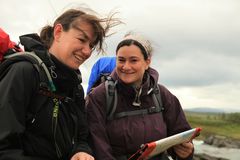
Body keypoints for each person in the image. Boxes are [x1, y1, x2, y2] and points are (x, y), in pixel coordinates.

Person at [0, 8, 120, 160]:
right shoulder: (24, 71)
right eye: (82, 40)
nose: (87, 51)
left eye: (91, 45)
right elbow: (4, 149)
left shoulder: (75, 86)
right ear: (58, 32)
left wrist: (82, 151)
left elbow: (81, 137)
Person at [86, 32, 194, 160]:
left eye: (133, 60)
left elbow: (180, 134)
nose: (126, 66)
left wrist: (186, 152)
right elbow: (98, 148)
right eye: (121, 60)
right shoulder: (100, 97)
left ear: (147, 62)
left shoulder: (162, 95)